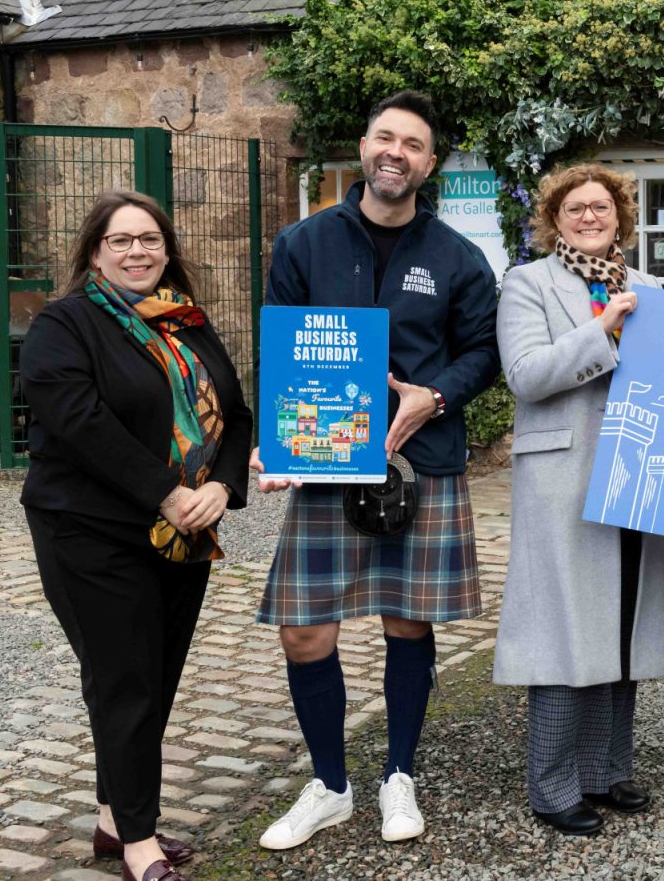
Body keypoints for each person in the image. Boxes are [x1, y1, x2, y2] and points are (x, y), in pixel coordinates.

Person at [252, 90, 500, 850]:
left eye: (413, 144)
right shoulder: (303, 243)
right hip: (328, 465)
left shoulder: (457, 258)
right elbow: (282, 349)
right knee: (302, 632)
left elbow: (485, 353)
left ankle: (399, 775)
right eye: (384, 137)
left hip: (420, 463)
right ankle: (330, 784)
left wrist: (436, 396)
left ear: (430, 164)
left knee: (407, 620)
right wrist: (277, 440)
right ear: (364, 146)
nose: (396, 152)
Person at [21, 191, 252, 881]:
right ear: (94, 251)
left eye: (149, 239)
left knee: (155, 677)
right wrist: (168, 490)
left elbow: (236, 415)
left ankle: (110, 818)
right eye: (120, 241)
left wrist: (220, 488)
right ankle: (138, 844)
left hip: (185, 533)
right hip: (91, 530)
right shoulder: (63, 326)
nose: (137, 252)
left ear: (167, 249)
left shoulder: (187, 323)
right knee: (126, 684)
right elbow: (81, 423)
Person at [491, 163, 664, 836]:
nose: (589, 217)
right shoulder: (527, 283)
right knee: (564, 633)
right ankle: (552, 787)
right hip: (563, 481)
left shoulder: (653, 287)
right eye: (575, 208)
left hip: (636, 475)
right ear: (553, 218)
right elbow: (526, 376)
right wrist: (601, 329)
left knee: (622, 626)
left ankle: (606, 773)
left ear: (620, 215)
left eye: (601, 206)